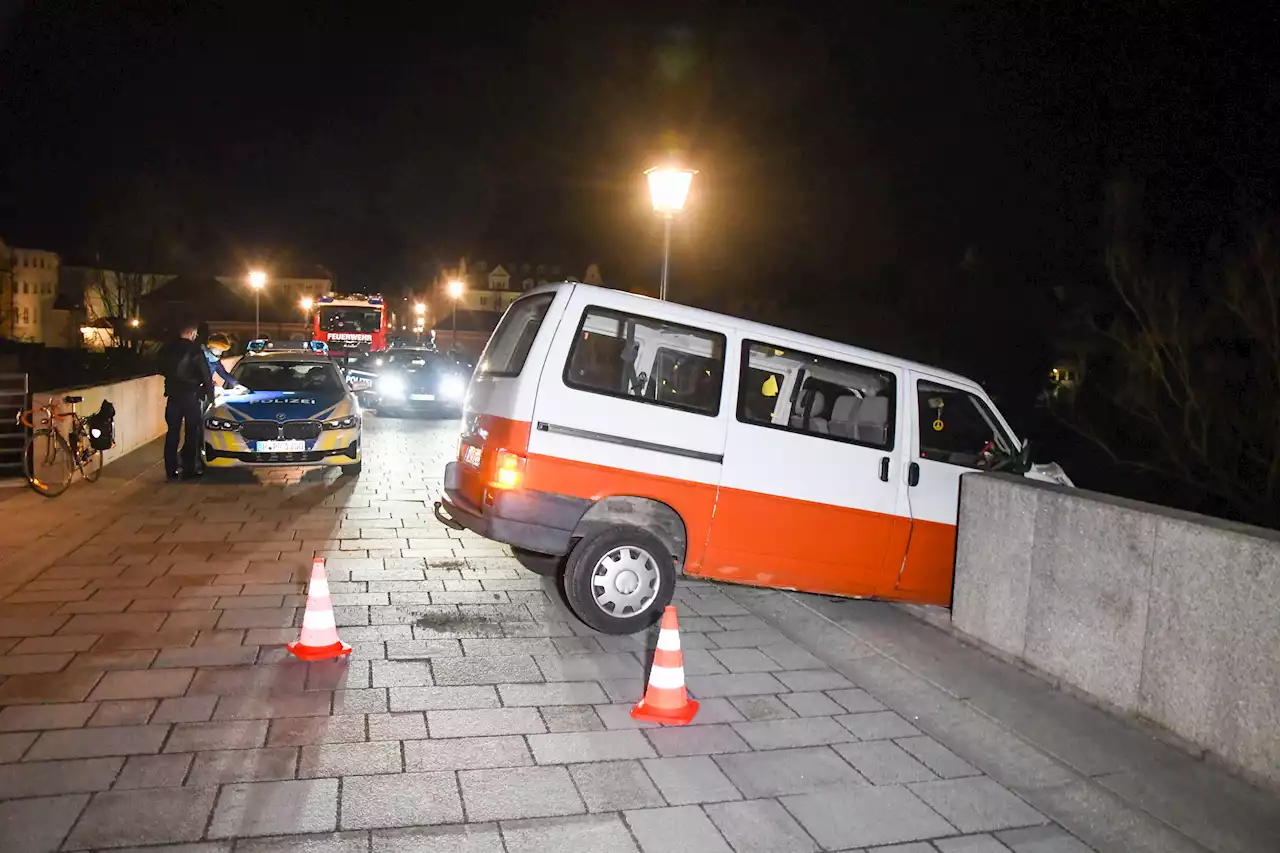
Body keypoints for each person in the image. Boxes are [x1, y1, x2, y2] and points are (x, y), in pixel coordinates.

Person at [159, 322, 214, 480]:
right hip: (191, 396)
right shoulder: (195, 350)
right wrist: (210, 396)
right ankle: (189, 469)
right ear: (192, 333)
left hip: (173, 396)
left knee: (172, 433)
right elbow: (205, 375)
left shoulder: (167, 348)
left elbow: (160, 367)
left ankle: (171, 469)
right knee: (192, 433)